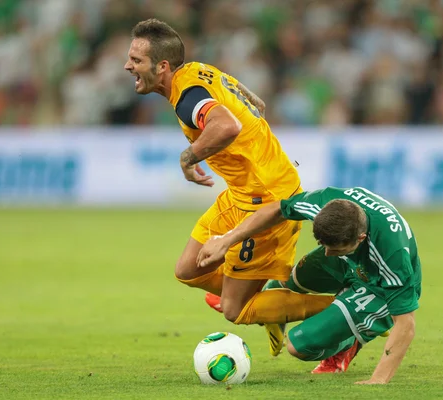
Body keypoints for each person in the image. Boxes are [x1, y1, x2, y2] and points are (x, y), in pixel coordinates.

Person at [124, 18, 334, 356]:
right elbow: (257, 103)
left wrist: (189, 157)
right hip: (242, 192)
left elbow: (227, 125)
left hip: (267, 199)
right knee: (189, 269)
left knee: (235, 310)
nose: (127, 66)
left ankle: (347, 310)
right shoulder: (196, 71)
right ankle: (266, 297)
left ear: (162, 67)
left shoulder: (186, 97)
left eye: (136, 60)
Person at [197, 186, 422, 384]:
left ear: (360, 238)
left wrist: (378, 379)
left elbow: (406, 324)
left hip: (378, 287)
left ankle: (348, 341)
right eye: (322, 245)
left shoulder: (392, 256)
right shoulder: (324, 202)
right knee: (287, 281)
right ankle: (262, 302)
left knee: (298, 345)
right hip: (352, 261)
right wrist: (226, 240)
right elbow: (276, 209)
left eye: (334, 249)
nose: (326, 253)